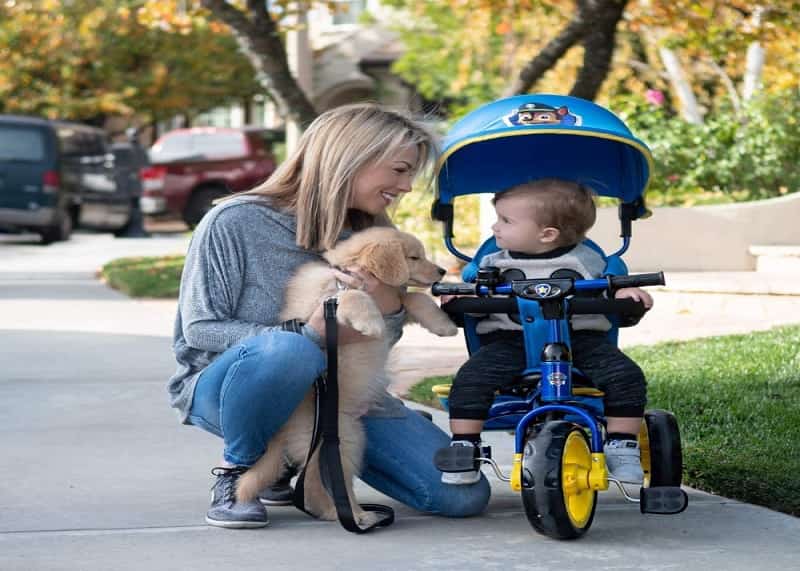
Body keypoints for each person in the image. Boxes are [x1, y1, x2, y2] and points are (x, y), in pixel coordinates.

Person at [167, 103, 490, 529]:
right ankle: (239, 469)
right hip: (234, 390)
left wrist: (389, 307)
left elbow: (372, 340)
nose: (408, 186)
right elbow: (201, 329)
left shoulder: (369, 235)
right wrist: (304, 334)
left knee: (461, 493)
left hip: (338, 396)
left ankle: (290, 459)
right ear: (352, 157)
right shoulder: (234, 222)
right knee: (289, 351)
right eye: (399, 170)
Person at [442, 179, 652, 485]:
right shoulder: (492, 264)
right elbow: (477, 306)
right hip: (510, 341)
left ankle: (622, 444)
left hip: (579, 341)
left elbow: (612, 286)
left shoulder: (587, 261)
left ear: (547, 234)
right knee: (470, 379)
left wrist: (624, 295)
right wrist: (460, 299)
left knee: (626, 376)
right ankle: (465, 446)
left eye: (506, 220)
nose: (495, 227)